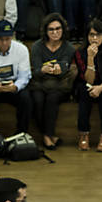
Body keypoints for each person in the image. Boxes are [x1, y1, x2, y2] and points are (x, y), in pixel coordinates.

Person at [29, 13, 76, 150]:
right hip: (40, 83)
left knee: (52, 98)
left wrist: (59, 69)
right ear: (46, 31)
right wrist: (43, 70)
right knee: (37, 99)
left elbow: (66, 67)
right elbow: (35, 71)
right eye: (51, 29)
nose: (55, 32)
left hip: (60, 86)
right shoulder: (38, 46)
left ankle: (47, 135)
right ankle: (47, 135)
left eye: (58, 29)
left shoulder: (68, 47)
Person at [75, 18, 102, 152]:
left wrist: (100, 88)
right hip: (87, 83)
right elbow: (88, 80)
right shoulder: (80, 52)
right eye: (91, 35)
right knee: (84, 92)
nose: (94, 38)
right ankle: (83, 133)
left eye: (98, 35)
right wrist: (90, 58)